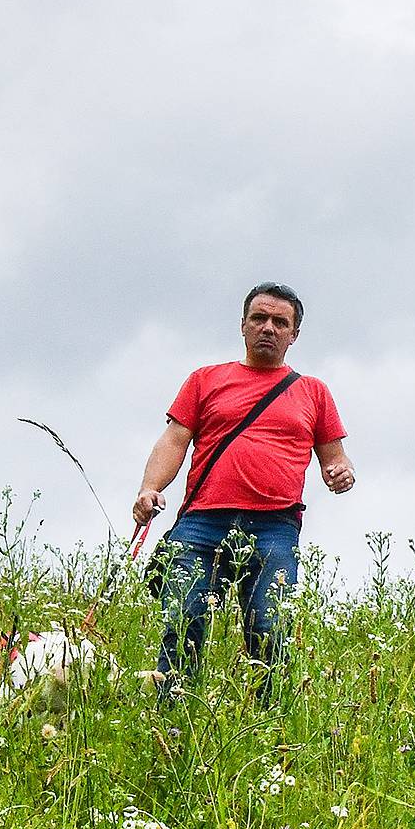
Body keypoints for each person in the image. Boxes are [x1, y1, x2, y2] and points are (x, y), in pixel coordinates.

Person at [133, 283, 354, 691]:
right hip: (202, 522)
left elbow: (335, 457)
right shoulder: (205, 380)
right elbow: (174, 441)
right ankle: (171, 717)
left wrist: (341, 473)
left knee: (270, 632)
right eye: (259, 319)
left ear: (294, 334)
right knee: (183, 624)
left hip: (275, 526)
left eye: (279, 322)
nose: (268, 328)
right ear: (243, 325)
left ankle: (269, 727)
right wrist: (150, 488)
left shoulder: (313, 392)